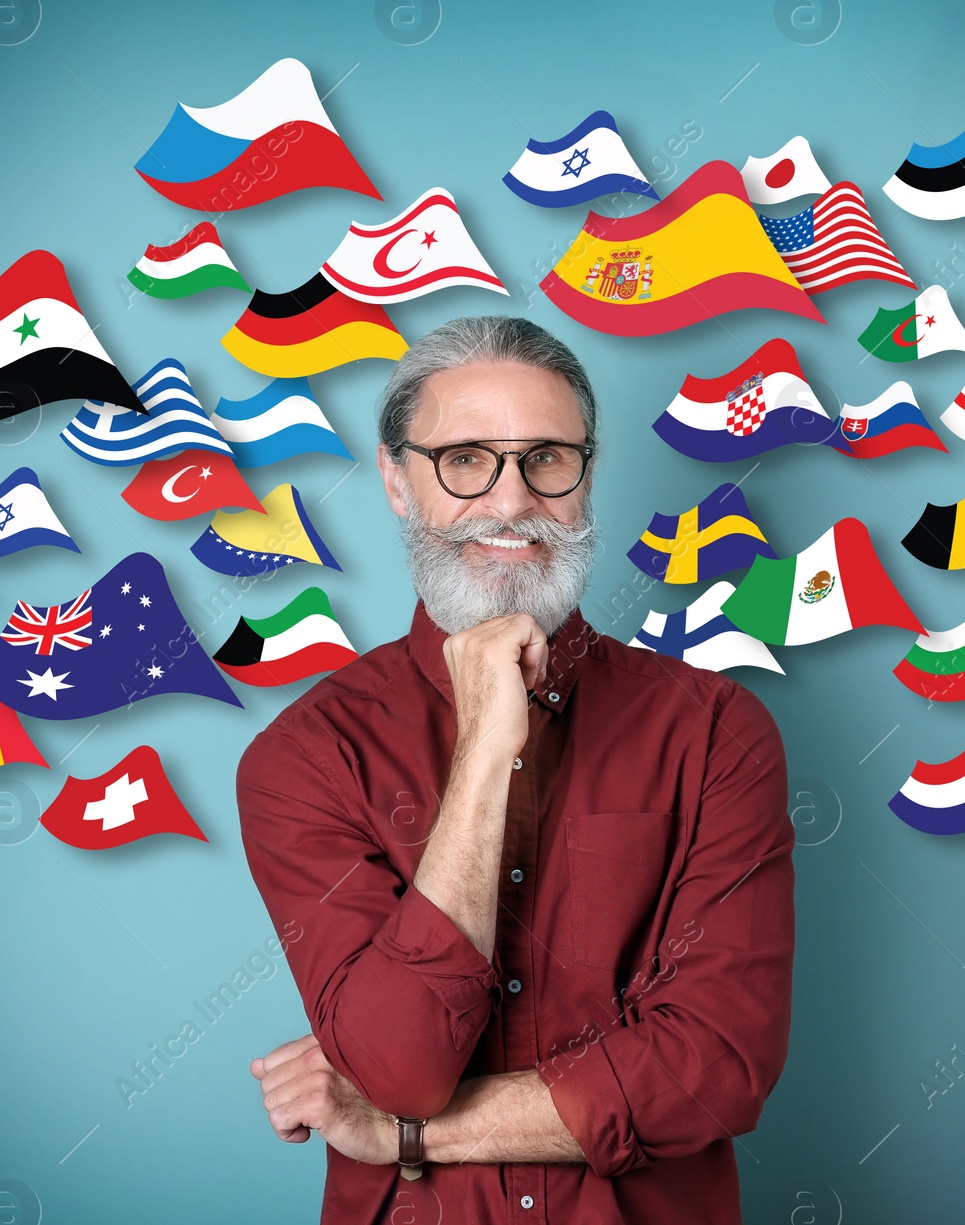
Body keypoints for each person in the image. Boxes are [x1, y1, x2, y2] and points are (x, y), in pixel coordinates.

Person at [237, 315, 794, 1224]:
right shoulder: (304, 758)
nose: (510, 501)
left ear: (586, 476)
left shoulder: (716, 733)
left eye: (546, 458)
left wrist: (407, 1135)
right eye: (464, 459)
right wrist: (489, 746)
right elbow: (400, 1063)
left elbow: (716, 1069)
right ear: (395, 479)